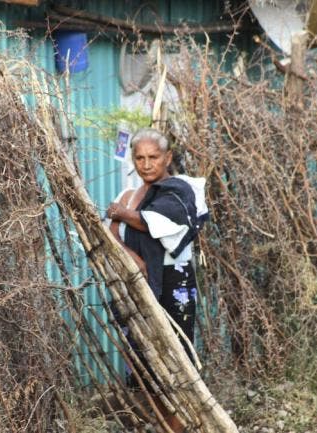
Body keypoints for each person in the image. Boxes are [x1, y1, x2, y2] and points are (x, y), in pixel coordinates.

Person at [105, 127, 208, 433]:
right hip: (136, 285)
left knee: (174, 360)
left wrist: (124, 215)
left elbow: (163, 225)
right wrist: (132, 258)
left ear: (168, 158)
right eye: (139, 157)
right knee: (143, 363)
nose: (146, 164)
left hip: (172, 283)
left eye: (153, 157)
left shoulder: (181, 191)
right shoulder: (125, 196)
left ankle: (176, 428)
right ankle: (155, 425)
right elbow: (108, 236)